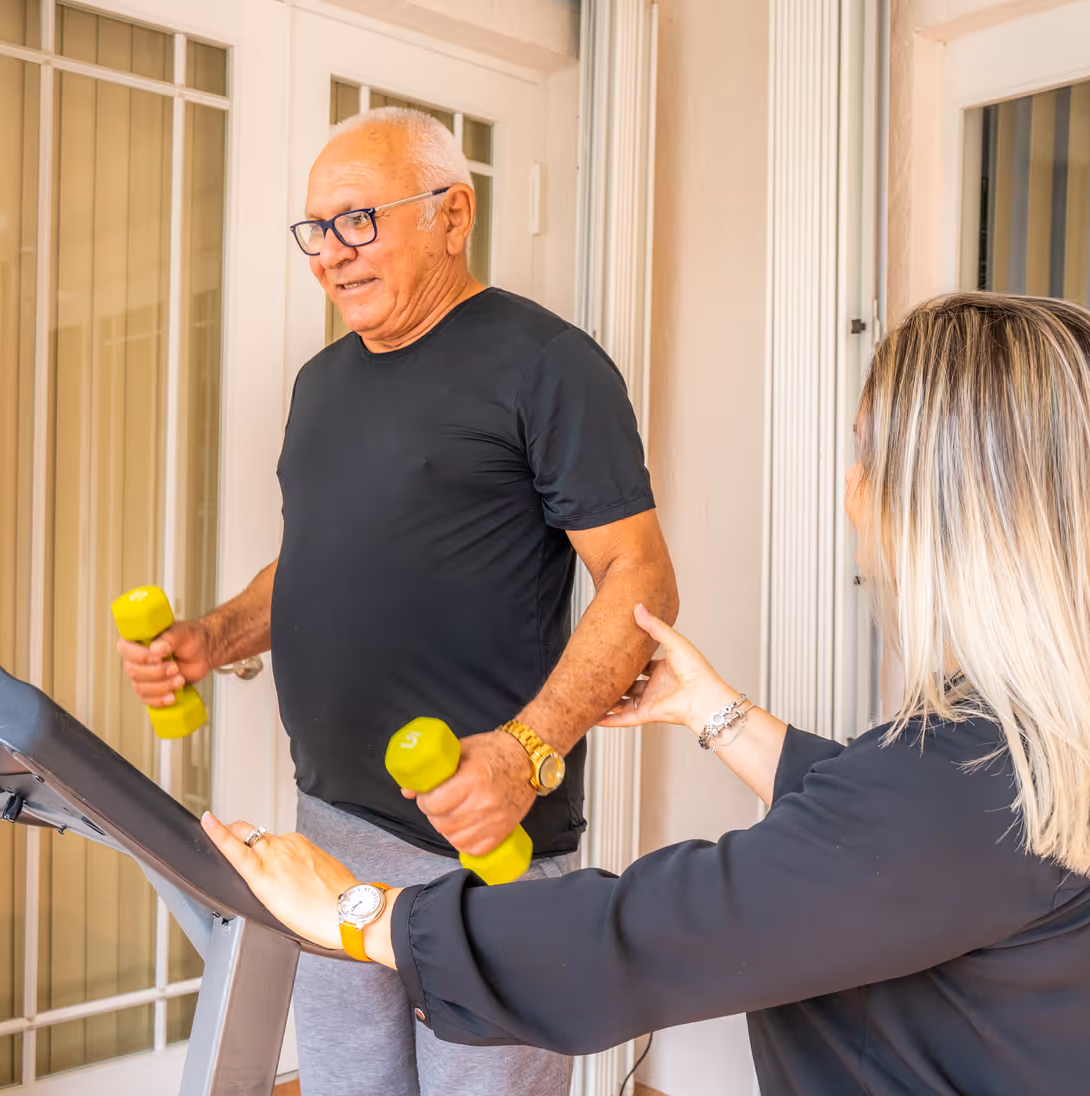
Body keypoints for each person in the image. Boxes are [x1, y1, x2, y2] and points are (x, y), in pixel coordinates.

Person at [202, 292, 1090, 1095]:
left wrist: (355, 910)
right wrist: (716, 713)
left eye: (863, 451)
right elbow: (901, 840)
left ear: (943, 504)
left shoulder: (955, 788)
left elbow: (643, 935)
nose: (850, 486)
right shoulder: (1073, 742)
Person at [117, 107, 677, 1096]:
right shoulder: (319, 385)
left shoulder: (550, 365)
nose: (331, 254)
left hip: (481, 840)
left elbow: (638, 575)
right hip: (329, 825)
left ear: (453, 215)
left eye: (358, 221)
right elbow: (319, 564)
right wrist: (213, 635)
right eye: (315, 231)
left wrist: (530, 751)